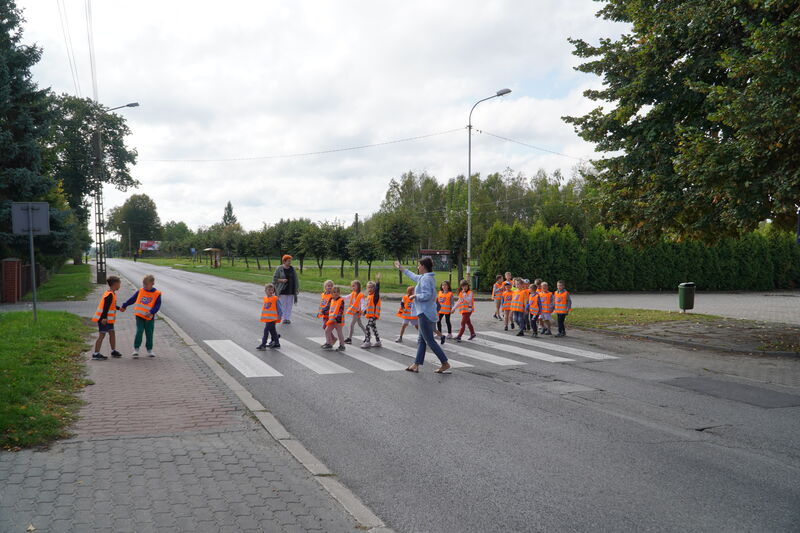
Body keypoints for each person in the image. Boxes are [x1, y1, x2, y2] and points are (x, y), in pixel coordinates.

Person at [395, 259, 451, 373]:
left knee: (429, 340)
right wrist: (401, 268)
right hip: (425, 312)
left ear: (424, 266)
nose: (418, 267)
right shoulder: (424, 277)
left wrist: (415, 296)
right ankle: (416, 364)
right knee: (421, 340)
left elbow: (427, 295)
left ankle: (445, 363)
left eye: (419, 265)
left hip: (425, 313)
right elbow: (413, 276)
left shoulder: (426, 278)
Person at [120, 274, 162, 357]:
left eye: (146, 284)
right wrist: (125, 305)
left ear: (152, 283)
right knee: (139, 331)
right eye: (144, 284)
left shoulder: (157, 293)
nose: (144, 286)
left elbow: (157, 305)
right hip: (139, 316)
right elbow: (133, 299)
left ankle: (149, 349)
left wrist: (152, 312)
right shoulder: (141, 291)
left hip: (149, 317)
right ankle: (136, 349)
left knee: (149, 333)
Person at [91, 275, 123, 360]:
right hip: (104, 319)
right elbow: (105, 307)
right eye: (119, 284)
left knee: (112, 333)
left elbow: (111, 305)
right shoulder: (109, 295)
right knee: (102, 335)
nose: (120, 285)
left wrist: (119, 308)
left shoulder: (111, 293)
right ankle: (96, 353)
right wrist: (104, 318)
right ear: (114, 284)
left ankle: (113, 351)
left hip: (109, 320)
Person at [273, 255, 299, 324]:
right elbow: (274, 279)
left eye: (290, 261)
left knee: (289, 305)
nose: (290, 262)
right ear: (284, 261)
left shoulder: (292, 269)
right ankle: (284, 318)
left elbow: (296, 279)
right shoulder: (279, 268)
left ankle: (288, 318)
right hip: (282, 290)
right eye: (288, 261)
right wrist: (281, 280)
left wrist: (296, 288)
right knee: (283, 304)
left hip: (291, 289)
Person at [256, 283, 282, 350]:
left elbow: (279, 308)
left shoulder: (275, 298)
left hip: (272, 318)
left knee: (266, 330)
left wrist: (279, 316)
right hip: (267, 318)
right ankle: (277, 343)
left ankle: (263, 344)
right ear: (265, 291)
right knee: (272, 331)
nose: (271, 291)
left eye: (272, 290)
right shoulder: (265, 299)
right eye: (269, 290)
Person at [321, 286, 346, 351]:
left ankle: (342, 345)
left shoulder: (341, 300)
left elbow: (341, 310)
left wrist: (338, 318)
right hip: (332, 320)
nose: (336, 293)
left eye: (338, 292)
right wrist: (323, 311)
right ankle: (329, 343)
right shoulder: (331, 300)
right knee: (327, 330)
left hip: (338, 320)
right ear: (331, 293)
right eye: (334, 292)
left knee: (339, 333)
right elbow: (328, 307)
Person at [361, 273, 382, 349]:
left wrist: (378, 280)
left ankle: (367, 341)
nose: (369, 289)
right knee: (373, 328)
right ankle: (378, 341)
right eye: (368, 288)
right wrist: (365, 312)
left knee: (367, 327)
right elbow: (369, 306)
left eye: (371, 288)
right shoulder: (369, 296)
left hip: (374, 316)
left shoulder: (375, 296)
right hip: (370, 315)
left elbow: (377, 290)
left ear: (374, 288)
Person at [344, 280, 366, 344]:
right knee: (360, 324)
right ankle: (367, 335)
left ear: (358, 286)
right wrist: (339, 297)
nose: (352, 287)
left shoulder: (360, 295)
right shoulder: (353, 293)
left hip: (357, 312)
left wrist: (363, 310)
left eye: (354, 286)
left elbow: (362, 303)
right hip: (355, 312)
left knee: (351, 325)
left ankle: (349, 338)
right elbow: (346, 297)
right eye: (352, 286)